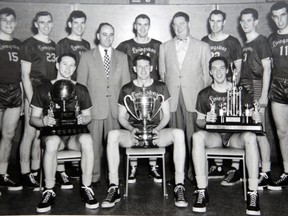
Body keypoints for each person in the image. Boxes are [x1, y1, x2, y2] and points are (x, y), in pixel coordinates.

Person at [101, 55, 187, 208]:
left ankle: (179, 186)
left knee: (179, 133)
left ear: (152, 68)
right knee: (113, 135)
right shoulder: (127, 88)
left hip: (156, 133)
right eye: (139, 67)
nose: (143, 70)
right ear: (134, 69)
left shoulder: (161, 86)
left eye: (146, 66)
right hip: (133, 134)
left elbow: (166, 115)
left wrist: (158, 129)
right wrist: (131, 128)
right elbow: (121, 117)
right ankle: (114, 187)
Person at [192, 56, 261, 215]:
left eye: (222, 68)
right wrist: (206, 121)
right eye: (214, 69)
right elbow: (199, 122)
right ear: (210, 72)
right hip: (215, 136)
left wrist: (256, 117)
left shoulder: (240, 91)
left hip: (235, 136)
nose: (218, 72)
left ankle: (253, 193)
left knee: (251, 137)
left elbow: (253, 116)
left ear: (227, 70)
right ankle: (202, 191)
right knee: (197, 137)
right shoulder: (204, 94)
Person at [30, 53, 98, 213]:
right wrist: (43, 121)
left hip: (74, 136)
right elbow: (33, 119)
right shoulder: (43, 88)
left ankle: (86, 187)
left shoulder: (81, 89)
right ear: (57, 65)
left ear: (75, 68)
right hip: (54, 137)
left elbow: (89, 116)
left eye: (72, 65)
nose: (68, 68)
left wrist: (84, 119)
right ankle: (49, 190)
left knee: (88, 139)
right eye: (64, 64)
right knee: (52, 142)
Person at [159, 11, 211, 183]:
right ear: (172, 26)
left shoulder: (203, 46)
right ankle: (176, 175)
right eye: (175, 24)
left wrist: (204, 104)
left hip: (194, 100)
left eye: (182, 23)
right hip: (173, 100)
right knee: (175, 138)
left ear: (188, 24)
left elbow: (207, 76)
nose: (178, 27)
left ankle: (196, 174)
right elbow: (162, 76)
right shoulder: (164, 47)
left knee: (194, 139)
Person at [77, 22, 130, 186]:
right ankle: (92, 177)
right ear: (98, 35)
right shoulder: (86, 56)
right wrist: (82, 111)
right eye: (104, 34)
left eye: (111, 34)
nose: (108, 38)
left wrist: (126, 111)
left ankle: (114, 178)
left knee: (115, 146)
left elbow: (126, 87)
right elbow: (80, 87)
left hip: (115, 110)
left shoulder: (122, 57)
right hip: (93, 110)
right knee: (92, 146)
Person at [116, 14, 162, 183]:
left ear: (149, 26)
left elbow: (162, 70)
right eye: (139, 25)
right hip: (132, 93)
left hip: (151, 93)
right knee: (133, 125)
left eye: (146, 25)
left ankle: (153, 166)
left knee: (152, 123)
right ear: (135, 26)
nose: (142, 28)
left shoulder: (158, 45)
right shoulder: (125, 45)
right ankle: (132, 166)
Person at [201, 9, 243, 179]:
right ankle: (217, 166)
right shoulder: (204, 41)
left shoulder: (233, 41)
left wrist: (232, 90)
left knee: (232, 126)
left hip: (229, 90)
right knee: (214, 125)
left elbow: (238, 69)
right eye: (212, 21)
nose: (215, 24)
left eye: (219, 21)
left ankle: (234, 168)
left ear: (224, 22)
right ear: (209, 21)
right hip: (211, 90)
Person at [19, 11, 57, 191]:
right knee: (29, 133)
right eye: (42, 22)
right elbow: (25, 75)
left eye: (49, 22)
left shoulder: (54, 45)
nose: (46, 25)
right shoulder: (28, 44)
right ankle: (24, 172)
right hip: (33, 93)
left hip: (47, 94)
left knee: (40, 134)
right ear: (36, 24)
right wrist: (30, 99)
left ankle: (35, 170)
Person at [239, 8, 272, 190]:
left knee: (260, 132)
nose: (245, 24)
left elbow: (267, 69)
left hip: (258, 87)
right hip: (246, 89)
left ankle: (266, 173)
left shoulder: (262, 41)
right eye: (242, 21)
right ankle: (258, 170)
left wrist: (264, 94)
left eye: (249, 20)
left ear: (256, 21)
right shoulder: (246, 43)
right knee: (252, 131)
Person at [56, 10, 90, 180]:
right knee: (60, 128)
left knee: (78, 126)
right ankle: (60, 170)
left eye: (82, 23)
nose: (79, 26)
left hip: (79, 91)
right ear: (70, 24)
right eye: (76, 23)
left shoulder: (87, 44)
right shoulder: (62, 43)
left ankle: (76, 166)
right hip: (63, 90)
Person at [0, 7, 22, 191]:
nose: (8, 23)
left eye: (11, 20)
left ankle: (2, 174)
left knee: (8, 135)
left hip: (15, 92)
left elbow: (22, 74)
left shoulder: (19, 44)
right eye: (4, 19)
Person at [267, 1, 288, 190]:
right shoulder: (271, 38)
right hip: (278, 86)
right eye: (276, 16)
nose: (279, 20)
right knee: (282, 132)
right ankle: (287, 172)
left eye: (283, 15)